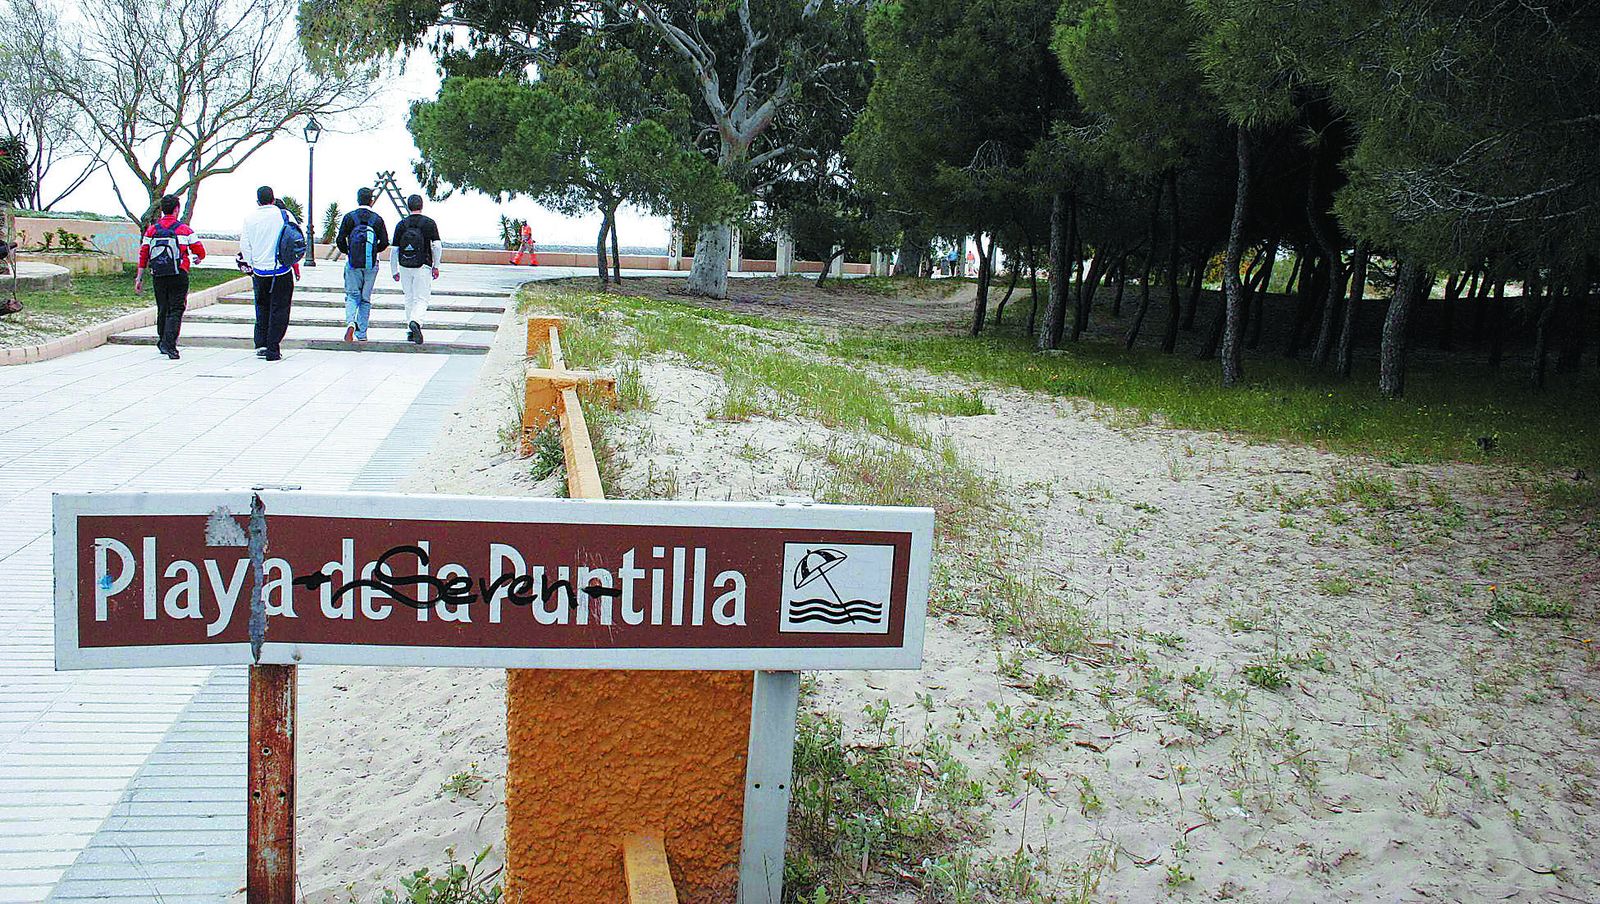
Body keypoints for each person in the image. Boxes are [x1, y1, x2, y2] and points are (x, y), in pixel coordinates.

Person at [134, 194, 207, 360]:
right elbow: (200, 251)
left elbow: (143, 254)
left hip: (158, 273)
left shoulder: (152, 230)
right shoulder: (184, 230)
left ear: (162, 210)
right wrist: (198, 258)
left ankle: (162, 341)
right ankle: (170, 344)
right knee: (176, 308)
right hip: (178, 273)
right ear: (176, 209)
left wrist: (139, 277)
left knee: (163, 307)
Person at [238, 186, 298, 361]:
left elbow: (245, 245)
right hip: (280, 270)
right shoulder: (284, 215)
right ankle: (273, 347)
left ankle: (261, 343)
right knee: (279, 309)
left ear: (258, 201)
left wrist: (253, 263)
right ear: (273, 199)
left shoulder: (249, 218)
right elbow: (295, 238)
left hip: (259, 271)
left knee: (262, 307)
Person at [334, 188, 389, 343]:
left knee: (352, 295)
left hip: (353, 263)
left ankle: (351, 322)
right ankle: (362, 333)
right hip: (371, 264)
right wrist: (372, 253)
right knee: (365, 298)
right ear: (371, 200)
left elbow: (340, 240)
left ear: (358, 199)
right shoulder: (377, 219)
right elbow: (385, 242)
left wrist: (349, 252)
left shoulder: (349, 217)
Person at [390, 194, 442, 345]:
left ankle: (410, 330)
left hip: (404, 265)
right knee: (422, 298)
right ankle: (416, 322)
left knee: (409, 297)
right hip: (423, 265)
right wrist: (436, 266)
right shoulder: (429, 223)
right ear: (422, 205)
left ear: (408, 206)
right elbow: (437, 246)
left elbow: (394, 250)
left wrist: (394, 270)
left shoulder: (401, 225)